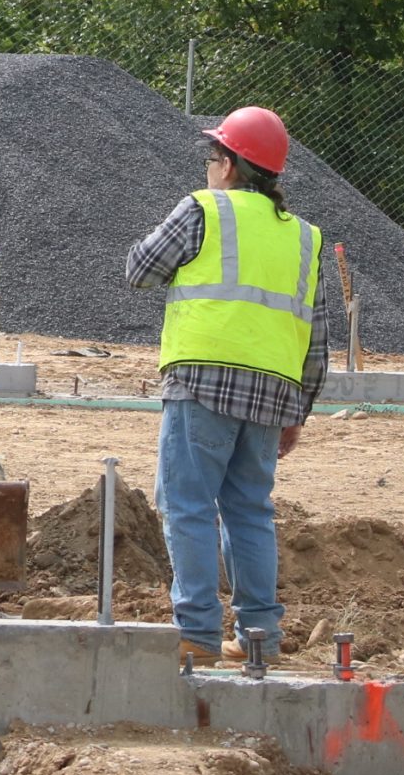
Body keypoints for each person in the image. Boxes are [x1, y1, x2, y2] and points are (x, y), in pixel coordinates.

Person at [125, 105, 328, 666]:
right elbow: (318, 337)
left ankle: (197, 633)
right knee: (249, 510)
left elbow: (139, 269)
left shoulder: (202, 210)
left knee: (188, 505)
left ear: (231, 165)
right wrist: (298, 410)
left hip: (202, 381)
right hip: (271, 394)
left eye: (214, 156)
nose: (209, 166)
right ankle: (259, 637)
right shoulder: (305, 238)